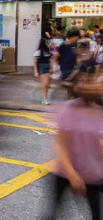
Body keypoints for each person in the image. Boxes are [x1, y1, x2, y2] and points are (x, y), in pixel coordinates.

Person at [47, 72, 103, 219]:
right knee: (53, 213)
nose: (96, 86)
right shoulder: (68, 110)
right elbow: (61, 145)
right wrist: (72, 175)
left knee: (96, 214)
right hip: (65, 173)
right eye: (89, 82)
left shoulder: (99, 111)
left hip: (93, 174)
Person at [52, 30, 80, 98]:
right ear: (73, 37)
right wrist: (54, 65)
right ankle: (55, 91)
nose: (77, 39)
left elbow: (76, 55)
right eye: (77, 37)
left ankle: (69, 99)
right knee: (69, 84)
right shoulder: (63, 45)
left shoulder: (74, 44)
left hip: (73, 66)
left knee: (71, 84)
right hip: (65, 67)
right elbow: (56, 55)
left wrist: (78, 63)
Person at [32, 38, 53, 105]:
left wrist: (52, 68)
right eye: (47, 42)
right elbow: (35, 63)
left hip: (48, 68)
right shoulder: (38, 52)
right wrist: (36, 72)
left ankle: (35, 92)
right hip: (41, 68)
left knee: (46, 84)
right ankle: (45, 99)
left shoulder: (48, 51)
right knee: (45, 85)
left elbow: (50, 61)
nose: (48, 44)